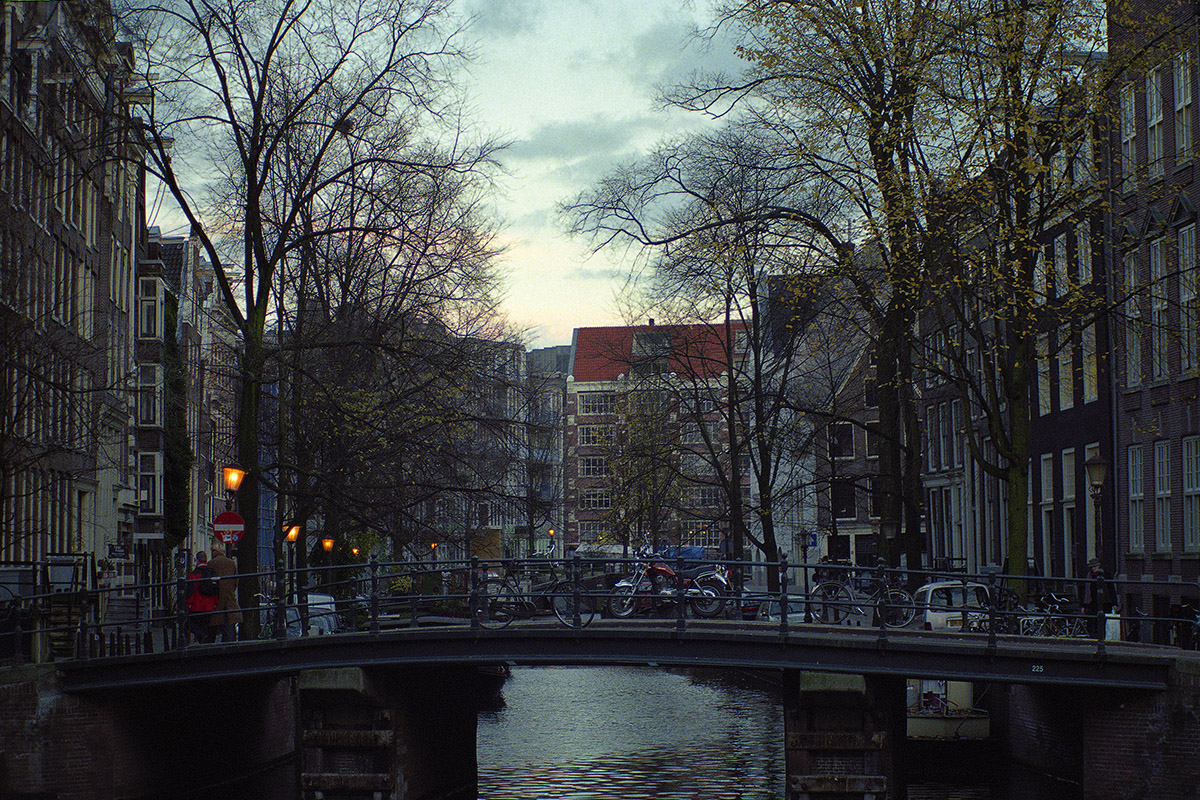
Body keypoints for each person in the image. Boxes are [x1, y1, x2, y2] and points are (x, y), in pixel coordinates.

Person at [208, 542, 242, 642]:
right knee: (229, 626)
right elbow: (236, 581)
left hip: (216, 599)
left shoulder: (211, 563)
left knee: (212, 626)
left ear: (214, 552)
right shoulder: (231, 563)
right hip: (229, 597)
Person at [184, 552, 218, 644]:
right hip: (209, 605)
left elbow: (191, 590)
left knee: (192, 624)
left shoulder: (194, 574)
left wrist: (188, 603)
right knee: (206, 625)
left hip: (197, 605)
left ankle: (202, 639)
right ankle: (205, 642)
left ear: (197, 560)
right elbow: (215, 590)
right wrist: (215, 603)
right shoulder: (212, 572)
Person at [1081, 557, 1117, 637]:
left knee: (1103, 620)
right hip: (1093, 603)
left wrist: (1114, 603)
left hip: (1105, 602)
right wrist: (1085, 605)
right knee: (1093, 621)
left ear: (1099, 566)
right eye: (1092, 567)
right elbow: (1087, 592)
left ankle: (1102, 637)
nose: (1093, 568)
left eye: (1095, 566)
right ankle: (1095, 636)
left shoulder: (1105, 574)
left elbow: (1111, 588)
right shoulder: (1089, 576)